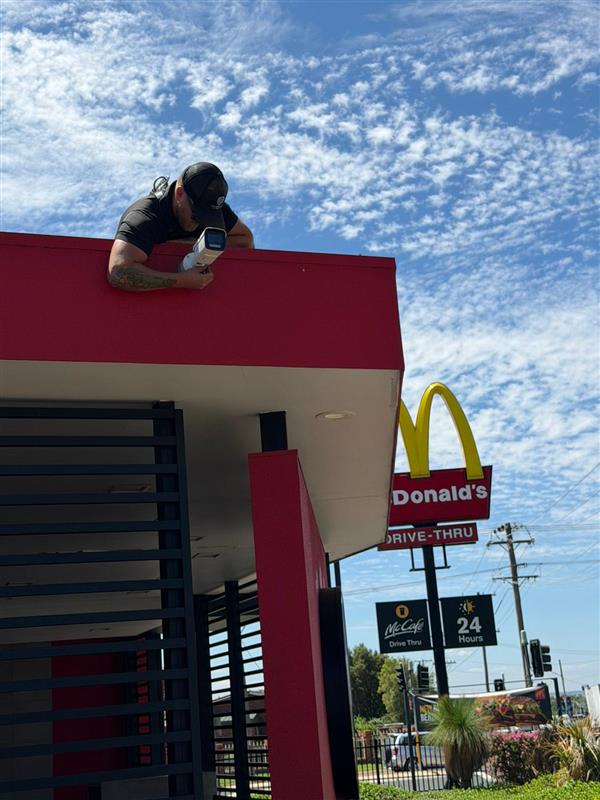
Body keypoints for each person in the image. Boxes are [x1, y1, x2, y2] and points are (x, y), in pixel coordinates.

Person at [108, 162, 254, 291]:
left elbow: (245, 241)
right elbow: (118, 271)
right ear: (179, 194)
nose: (199, 221)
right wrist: (182, 280)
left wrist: (196, 246)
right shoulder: (144, 217)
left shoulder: (212, 206)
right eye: (196, 213)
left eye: (207, 215)